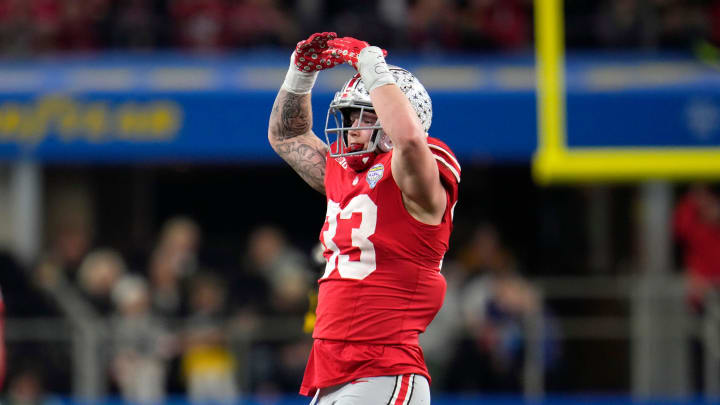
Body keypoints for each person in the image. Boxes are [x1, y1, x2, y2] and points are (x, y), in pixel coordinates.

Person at [267, 32, 461, 404]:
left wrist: (371, 65)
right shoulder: (344, 172)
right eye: (349, 114)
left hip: (384, 365)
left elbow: (409, 142)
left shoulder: (418, 170)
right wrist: (300, 73)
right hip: (332, 365)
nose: (352, 125)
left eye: (364, 113)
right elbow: (285, 136)